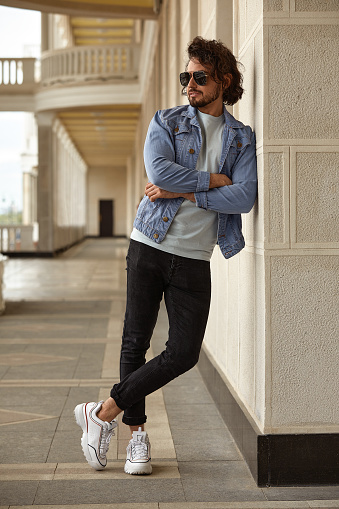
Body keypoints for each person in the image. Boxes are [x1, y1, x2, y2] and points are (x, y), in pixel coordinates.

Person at [74, 36, 257, 475]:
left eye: (199, 77)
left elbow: (245, 196)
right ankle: (137, 437)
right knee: (135, 341)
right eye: (185, 76)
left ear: (223, 82)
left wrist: (182, 189)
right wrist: (213, 180)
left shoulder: (241, 138)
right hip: (150, 244)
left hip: (195, 256)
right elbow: (158, 173)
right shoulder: (166, 121)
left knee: (184, 351)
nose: (189, 84)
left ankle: (101, 414)